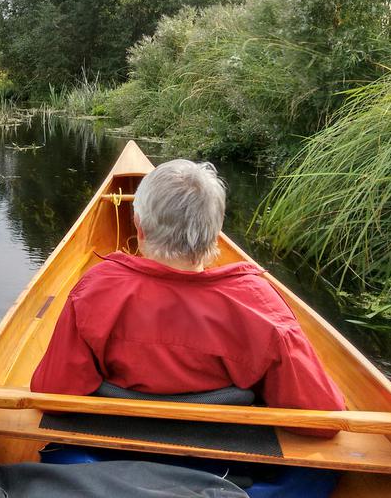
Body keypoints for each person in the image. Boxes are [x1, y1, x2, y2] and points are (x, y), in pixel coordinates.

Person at [31, 159, 345, 438]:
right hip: (225, 467)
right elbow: (321, 419)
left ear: (139, 229)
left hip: (114, 457)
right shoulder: (261, 305)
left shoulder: (94, 291)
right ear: (216, 229)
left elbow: (53, 395)